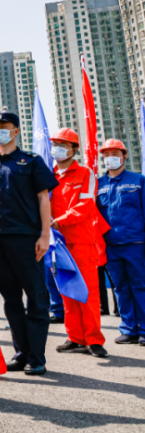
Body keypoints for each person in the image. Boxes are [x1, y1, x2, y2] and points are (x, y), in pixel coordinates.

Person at [0, 111, 56, 375]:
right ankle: (21, 352)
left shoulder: (31, 162)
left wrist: (45, 234)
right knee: (10, 298)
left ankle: (37, 357)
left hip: (26, 237)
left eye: (4, 126)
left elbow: (43, 198)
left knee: (37, 296)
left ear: (15, 131)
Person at [50, 128, 108, 357]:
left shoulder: (85, 173)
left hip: (81, 241)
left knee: (89, 293)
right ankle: (75, 338)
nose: (59, 149)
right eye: (56, 144)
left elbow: (85, 206)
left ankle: (94, 340)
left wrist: (59, 221)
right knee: (66, 291)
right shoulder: (49, 175)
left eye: (65, 145)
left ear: (74, 149)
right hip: (58, 244)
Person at [97, 139, 145, 346]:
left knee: (141, 286)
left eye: (115, 153)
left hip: (136, 243)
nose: (110, 158)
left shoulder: (138, 180)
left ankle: (144, 329)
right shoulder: (98, 185)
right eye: (106, 154)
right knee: (120, 288)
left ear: (124, 156)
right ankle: (128, 329)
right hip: (110, 245)